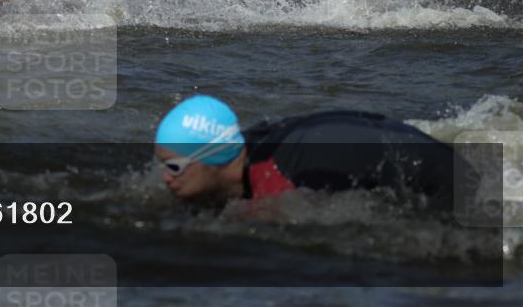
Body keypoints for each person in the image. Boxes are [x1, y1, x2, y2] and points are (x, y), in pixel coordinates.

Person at [154, 95, 464, 208]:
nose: (165, 178)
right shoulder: (242, 150)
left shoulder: (287, 172)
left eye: (174, 167)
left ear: (213, 157)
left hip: (453, 177)